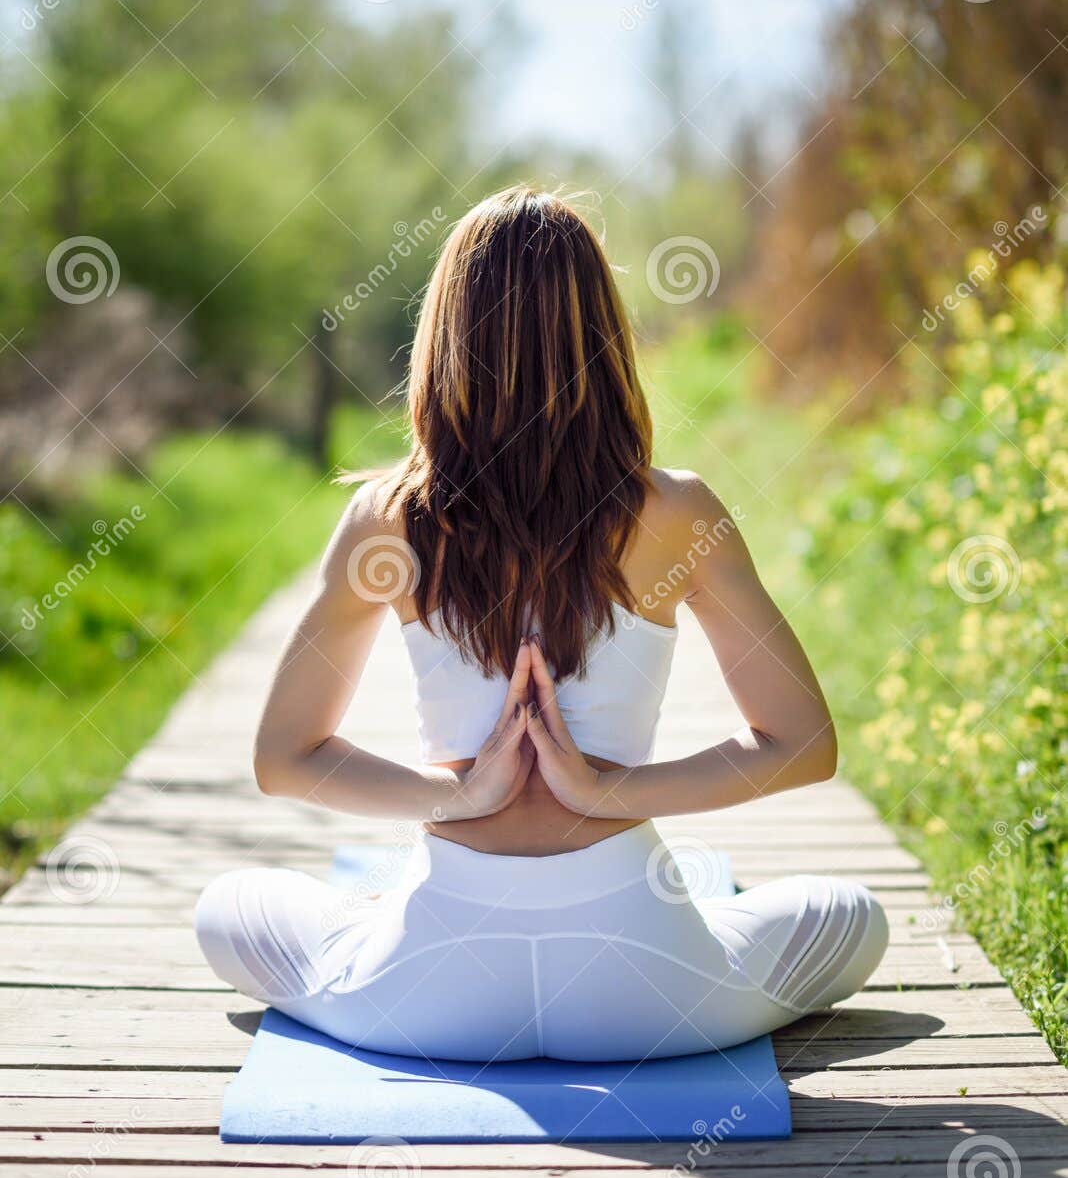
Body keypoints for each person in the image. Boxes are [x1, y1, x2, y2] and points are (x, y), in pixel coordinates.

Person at [196, 188, 887, 1062]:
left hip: (430, 992)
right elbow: (803, 745)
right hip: (644, 993)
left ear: (445, 337)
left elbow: (283, 759)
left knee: (228, 906)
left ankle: (381, 917)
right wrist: (609, 795)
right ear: (604, 336)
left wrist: (459, 798)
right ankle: (690, 923)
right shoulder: (680, 513)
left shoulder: (387, 519)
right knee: (851, 915)